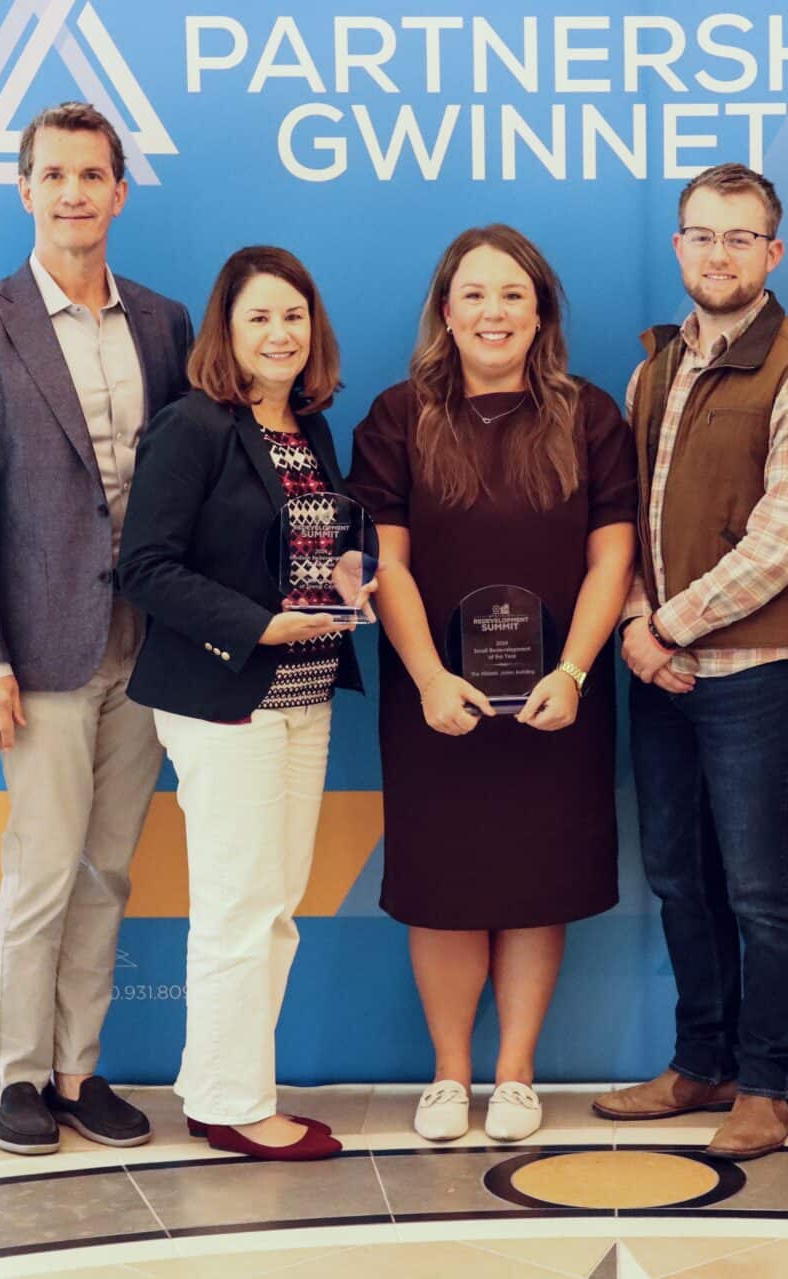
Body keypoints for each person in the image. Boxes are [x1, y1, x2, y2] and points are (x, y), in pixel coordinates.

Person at [0, 102, 194, 1156]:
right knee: (40, 866)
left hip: (148, 644)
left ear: (120, 192)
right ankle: (14, 1075)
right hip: (33, 653)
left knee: (108, 867)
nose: (74, 192)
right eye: (54, 175)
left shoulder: (165, 324)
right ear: (23, 189)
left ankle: (79, 1071)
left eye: (93, 175)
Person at [347, 225, 637, 1143]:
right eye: (474, 294)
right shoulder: (396, 417)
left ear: (540, 309)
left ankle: (514, 1074)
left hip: (559, 695)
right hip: (433, 699)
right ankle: (449, 1075)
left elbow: (613, 557)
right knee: (444, 881)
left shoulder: (590, 416)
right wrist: (428, 676)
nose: (493, 312)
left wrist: (576, 671)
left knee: (534, 877)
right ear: (445, 310)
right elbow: (383, 561)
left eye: (512, 294)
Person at [591, 163, 788, 1161]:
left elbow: (786, 536)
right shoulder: (654, 367)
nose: (718, 254)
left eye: (739, 238)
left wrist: (671, 626)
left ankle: (768, 1083)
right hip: (659, 665)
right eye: (702, 236)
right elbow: (626, 518)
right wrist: (632, 620)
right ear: (677, 247)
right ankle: (696, 1061)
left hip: (757, 669)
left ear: (772, 253)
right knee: (675, 876)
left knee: (758, 886)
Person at [115, 246, 358, 1162]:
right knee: (238, 903)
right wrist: (260, 625)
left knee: (275, 903)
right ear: (226, 329)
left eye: (292, 315)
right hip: (225, 697)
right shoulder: (193, 426)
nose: (279, 332)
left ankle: (227, 1085)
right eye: (258, 316)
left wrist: (345, 586)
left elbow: (305, 549)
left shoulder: (310, 431)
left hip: (304, 694)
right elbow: (145, 568)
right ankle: (232, 1102)